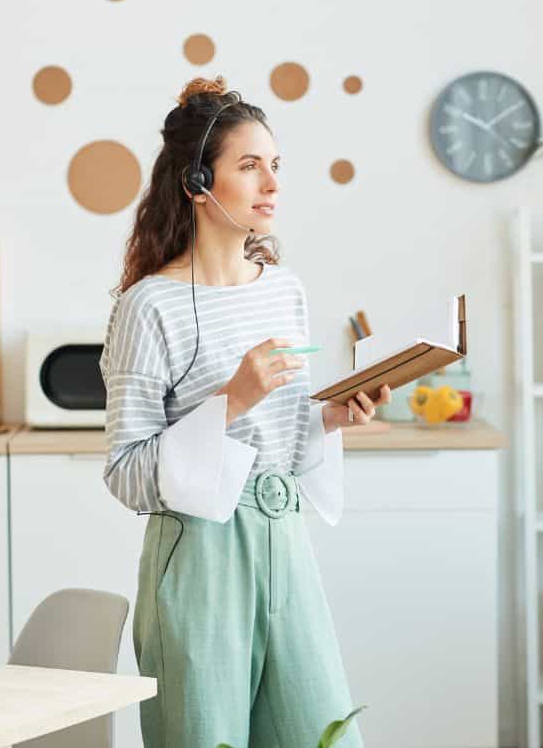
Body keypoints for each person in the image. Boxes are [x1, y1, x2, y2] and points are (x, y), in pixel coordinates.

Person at [100, 75, 389, 748]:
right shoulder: (148, 307)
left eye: (276, 165)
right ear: (198, 183)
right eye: (250, 165)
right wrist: (231, 400)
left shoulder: (285, 292)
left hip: (285, 541)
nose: (272, 184)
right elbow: (126, 473)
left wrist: (330, 418)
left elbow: (275, 439)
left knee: (326, 735)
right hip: (198, 558)